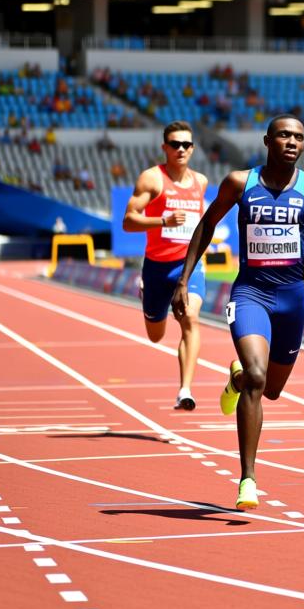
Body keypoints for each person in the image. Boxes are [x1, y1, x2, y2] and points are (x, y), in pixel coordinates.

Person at [171, 114, 304, 511]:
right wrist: (183, 280)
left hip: (292, 300)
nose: (292, 142)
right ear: (268, 140)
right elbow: (205, 225)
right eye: (284, 135)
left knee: (270, 389)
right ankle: (248, 479)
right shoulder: (239, 183)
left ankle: (236, 381)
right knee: (257, 375)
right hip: (251, 293)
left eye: (299, 137)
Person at [122, 122, 209, 412]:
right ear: (164, 148)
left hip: (188, 266)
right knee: (156, 335)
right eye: (175, 144)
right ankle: (147, 297)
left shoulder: (201, 182)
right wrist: (163, 221)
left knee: (191, 319)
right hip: (157, 268)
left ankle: (185, 390)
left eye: (186, 144)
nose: (180, 149)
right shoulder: (152, 179)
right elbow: (128, 220)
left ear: (193, 148)